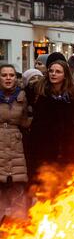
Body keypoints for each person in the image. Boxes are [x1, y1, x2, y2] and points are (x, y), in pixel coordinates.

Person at [27, 59, 74, 198]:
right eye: (51, 71)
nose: (53, 74)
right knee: (45, 188)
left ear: (65, 75)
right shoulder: (38, 92)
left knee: (65, 189)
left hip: (67, 148)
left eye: (58, 72)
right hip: (43, 148)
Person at [0, 65, 30, 218]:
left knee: (17, 192)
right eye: (4, 75)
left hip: (17, 147)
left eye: (11, 75)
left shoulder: (24, 97)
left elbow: (28, 120)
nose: (8, 78)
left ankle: (18, 234)